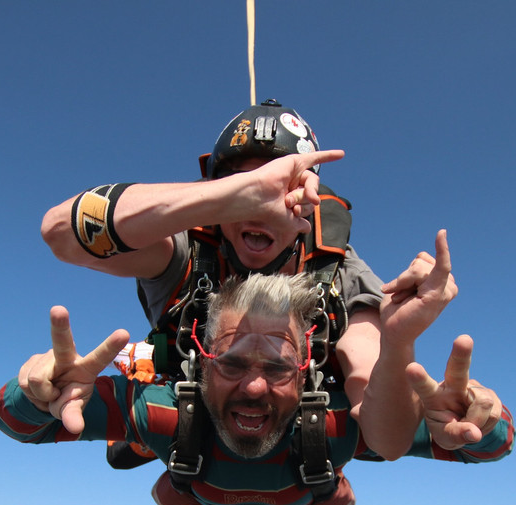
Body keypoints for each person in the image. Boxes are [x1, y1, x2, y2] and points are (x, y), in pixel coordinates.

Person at [39, 99, 425, 464]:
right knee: (158, 478)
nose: (262, 205)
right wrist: (227, 197)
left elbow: (387, 439)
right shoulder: (185, 249)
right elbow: (61, 234)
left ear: (311, 201)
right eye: (248, 187)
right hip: (195, 394)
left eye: (286, 189)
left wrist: (400, 343)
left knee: (330, 485)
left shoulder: (341, 273)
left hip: (290, 417)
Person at [0, 267, 515, 505]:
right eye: (234, 363)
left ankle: (139, 452)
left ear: (307, 368)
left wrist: (475, 415)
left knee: (334, 501)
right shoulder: (165, 411)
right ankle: (135, 451)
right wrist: (40, 390)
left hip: (245, 479)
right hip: (213, 471)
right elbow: (21, 424)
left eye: (279, 366)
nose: (256, 386)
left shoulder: (336, 425)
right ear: (200, 362)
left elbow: (487, 443)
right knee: (171, 488)